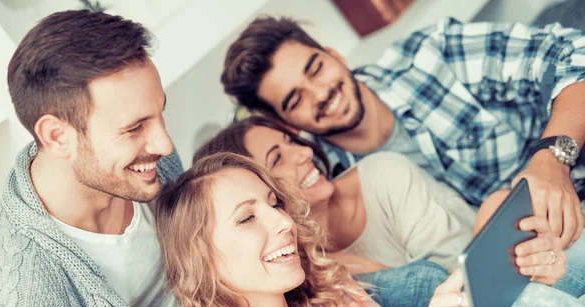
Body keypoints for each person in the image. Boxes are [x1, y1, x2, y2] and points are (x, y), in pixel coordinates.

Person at [0, 10, 259, 307]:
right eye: (134, 129)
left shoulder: (146, 164)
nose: (164, 144)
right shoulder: (15, 284)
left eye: (158, 113)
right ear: (57, 136)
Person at [156, 151, 585, 307]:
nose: (282, 223)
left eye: (274, 204)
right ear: (202, 259)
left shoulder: (328, 295)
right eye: (248, 219)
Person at [221, 16, 585, 249]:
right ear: (286, 122)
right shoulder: (326, 185)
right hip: (528, 263)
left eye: (315, 69)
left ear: (335, 54)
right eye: (295, 99)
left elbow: (571, 54)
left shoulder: (429, 58)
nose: (321, 94)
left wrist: (552, 159)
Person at [194, 115, 567, 285]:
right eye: (278, 158)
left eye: (292, 141)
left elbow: (468, 281)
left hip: (517, 274)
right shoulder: (291, 273)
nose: (303, 154)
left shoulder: (383, 175)